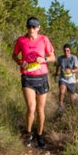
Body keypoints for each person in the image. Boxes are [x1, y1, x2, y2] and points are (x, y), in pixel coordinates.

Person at [13, 16, 55, 147]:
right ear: (26, 27)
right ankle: (28, 133)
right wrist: (20, 62)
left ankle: (40, 135)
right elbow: (14, 54)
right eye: (29, 27)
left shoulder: (44, 39)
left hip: (41, 77)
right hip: (27, 77)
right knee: (31, 108)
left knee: (40, 110)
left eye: (34, 27)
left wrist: (45, 60)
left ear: (38, 28)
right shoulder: (21, 40)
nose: (31, 29)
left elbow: (52, 56)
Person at [56, 44, 78, 108]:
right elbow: (58, 66)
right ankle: (60, 106)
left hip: (71, 79)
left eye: (68, 51)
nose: (66, 52)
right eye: (65, 51)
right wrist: (56, 73)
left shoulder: (74, 58)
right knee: (62, 91)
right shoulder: (60, 58)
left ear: (70, 51)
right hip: (63, 78)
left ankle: (72, 108)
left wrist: (71, 71)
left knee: (71, 98)